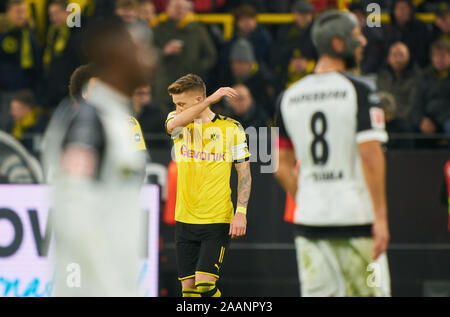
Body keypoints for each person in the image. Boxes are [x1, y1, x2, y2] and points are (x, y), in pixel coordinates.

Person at [274, 10, 391, 297]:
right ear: (338, 44)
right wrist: (381, 217)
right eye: (356, 36)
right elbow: (370, 155)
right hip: (356, 220)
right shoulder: (361, 90)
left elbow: (276, 163)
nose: (363, 41)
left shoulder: (288, 96)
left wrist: (306, 196)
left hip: (310, 220)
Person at [46, 16, 155, 296]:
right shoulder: (88, 121)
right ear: (116, 54)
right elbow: (73, 213)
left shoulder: (119, 119)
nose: (151, 56)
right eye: (141, 47)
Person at [165, 73, 251, 297]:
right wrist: (211, 100)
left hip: (216, 219)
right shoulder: (178, 123)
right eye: (175, 104)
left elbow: (244, 172)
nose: (177, 108)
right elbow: (174, 123)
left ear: (197, 100)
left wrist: (241, 211)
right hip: (184, 218)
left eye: (181, 104)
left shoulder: (232, 128)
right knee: (189, 291)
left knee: (205, 284)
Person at [153, 0, 217, 108]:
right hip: (164, 88)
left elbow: (211, 56)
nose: (180, 10)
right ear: (167, 8)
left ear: (189, 9)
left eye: (183, 7)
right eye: (176, 7)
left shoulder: (198, 30)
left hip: (190, 88)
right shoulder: (158, 29)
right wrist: (164, 52)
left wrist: (196, 68)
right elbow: (147, 56)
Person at [0, 0, 41, 131]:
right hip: (5, 95)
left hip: (26, 95)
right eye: (18, 12)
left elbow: (37, 67)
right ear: (7, 13)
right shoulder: (2, 35)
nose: (22, 16)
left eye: (24, 12)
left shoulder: (29, 36)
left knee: (26, 134)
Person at [39, 0, 83, 112]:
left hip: (72, 95)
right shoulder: (53, 34)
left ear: (68, 13)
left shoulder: (78, 33)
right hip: (55, 95)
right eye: (51, 15)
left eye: (56, 13)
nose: (53, 18)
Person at [217, 38, 275, 117]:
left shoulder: (262, 79)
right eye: (237, 62)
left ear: (251, 64)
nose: (240, 66)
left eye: (243, 63)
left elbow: (267, 107)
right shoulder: (225, 76)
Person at [411, 39, 450, 145]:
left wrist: (440, 119)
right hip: (429, 118)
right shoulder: (424, 77)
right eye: (436, 56)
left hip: (447, 119)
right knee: (408, 130)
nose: (439, 59)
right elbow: (417, 103)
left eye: (442, 56)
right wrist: (421, 120)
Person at [377, 41, 421, 125]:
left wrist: (394, 117)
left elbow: (413, 105)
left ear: (408, 57)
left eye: (401, 55)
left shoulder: (417, 78)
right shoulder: (382, 77)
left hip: (406, 121)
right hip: (384, 119)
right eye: (394, 55)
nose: (398, 59)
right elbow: (379, 98)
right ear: (388, 58)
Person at [272, 0, 317, 81]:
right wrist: (290, 61)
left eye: (306, 14)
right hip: (287, 73)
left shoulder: (316, 31)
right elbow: (277, 53)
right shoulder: (285, 31)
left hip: (313, 72)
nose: (304, 17)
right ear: (294, 14)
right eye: (301, 14)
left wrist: (309, 63)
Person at [385, 0, 432, 68]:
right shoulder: (388, 28)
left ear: (411, 9)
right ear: (393, 10)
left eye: (406, 8)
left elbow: (424, 53)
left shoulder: (421, 27)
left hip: (417, 68)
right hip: (392, 68)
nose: (403, 11)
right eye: (400, 8)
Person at [9, 89, 46, 154]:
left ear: (27, 109)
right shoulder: (11, 126)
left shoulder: (40, 127)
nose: (12, 113)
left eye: (16, 109)